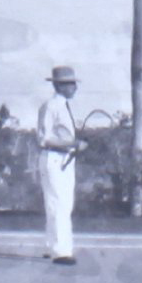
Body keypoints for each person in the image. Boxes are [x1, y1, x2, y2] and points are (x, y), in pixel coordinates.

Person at [36, 66, 87, 265]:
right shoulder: (51, 106)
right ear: (58, 85)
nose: (74, 87)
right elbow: (43, 139)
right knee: (60, 204)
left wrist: (73, 146)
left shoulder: (63, 106)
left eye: (74, 83)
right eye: (70, 83)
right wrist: (73, 144)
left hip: (63, 160)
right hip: (54, 159)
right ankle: (62, 251)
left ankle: (51, 246)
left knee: (56, 204)